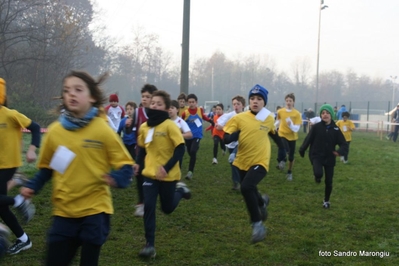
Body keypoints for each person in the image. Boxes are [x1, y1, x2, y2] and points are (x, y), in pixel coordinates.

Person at [20, 70, 134, 266]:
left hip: (95, 210)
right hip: (64, 211)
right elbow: (48, 168)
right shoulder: (56, 131)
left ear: (91, 97)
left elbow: (125, 164)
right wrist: (34, 185)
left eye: (78, 89)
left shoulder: (102, 130)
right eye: (67, 90)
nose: (71, 94)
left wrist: (118, 178)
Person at [134, 90, 191, 258]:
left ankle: (180, 191)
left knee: (167, 208)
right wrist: (138, 163)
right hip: (149, 175)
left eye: (159, 104)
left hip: (168, 175)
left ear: (166, 108)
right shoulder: (145, 127)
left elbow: (180, 149)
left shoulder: (170, 126)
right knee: (149, 207)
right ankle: (149, 246)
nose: (155, 106)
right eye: (153, 103)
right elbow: (142, 149)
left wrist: (166, 168)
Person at [224, 84, 283, 244]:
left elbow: (273, 133)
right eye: (252, 98)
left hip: (261, 160)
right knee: (250, 188)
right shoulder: (239, 118)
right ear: (248, 101)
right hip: (242, 160)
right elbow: (226, 137)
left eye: (259, 99)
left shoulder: (269, 117)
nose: (255, 101)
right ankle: (262, 202)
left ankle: (257, 225)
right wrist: (233, 136)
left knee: (246, 187)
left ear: (264, 102)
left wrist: (282, 150)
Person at [0, 78, 40, 255]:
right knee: (1, 207)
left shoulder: (10, 114)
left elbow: (36, 127)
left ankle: (18, 201)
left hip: (8, 166)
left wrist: (32, 150)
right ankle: (23, 239)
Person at [299, 104, 348, 209]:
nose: (325, 115)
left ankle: (326, 200)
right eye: (323, 113)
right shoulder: (316, 127)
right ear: (320, 115)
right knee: (318, 173)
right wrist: (302, 149)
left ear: (331, 114)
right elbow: (308, 139)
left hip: (330, 157)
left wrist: (339, 152)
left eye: (327, 113)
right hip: (316, 155)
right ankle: (317, 176)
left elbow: (344, 144)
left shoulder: (335, 129)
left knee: (329, 181)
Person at [133, 84, 158, 217]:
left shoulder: (159, 114)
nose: (144, 99)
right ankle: (141, 203)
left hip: (154, 154)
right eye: (143, 96)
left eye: (148, 97)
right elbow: (132, 129)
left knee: (152, 179)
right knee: (139, 176)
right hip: (140, 151)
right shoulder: (137, 112)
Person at [181, 94, 213, 180]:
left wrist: (211, 121)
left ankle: (190, 172)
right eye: (190, 102)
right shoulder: (185, 113)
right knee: (191, 153)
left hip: (197, 135)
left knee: (193, 151)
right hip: (188, 136)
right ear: (188, 103)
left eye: (193, 102)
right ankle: (192, 162)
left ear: (196, 102)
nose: (191, 104)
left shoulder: (200, 110)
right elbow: (181, 122)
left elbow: (204, 117)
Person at [216, 95, 245, 190]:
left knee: (233, 158)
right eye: (234, 104)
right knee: (234, 163)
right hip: (231, 143)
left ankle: (241, 182)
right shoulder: (230, 115)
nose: (236, 106)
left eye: (238, 104)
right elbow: (218, 123)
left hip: (242, 143)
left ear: (243, 105)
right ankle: (237, 182)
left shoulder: (247, 116)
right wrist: (224, 128)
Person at [275, 93, 302, 181]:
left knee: (291, 157)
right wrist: (273, 127)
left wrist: (291, 125)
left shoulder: (297, 113)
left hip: (292, 136)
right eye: (287, 101)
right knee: (283, 147)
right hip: (282, 133)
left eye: (290, 101)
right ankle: (281, 161)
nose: (288, 102)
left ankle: (289, 172)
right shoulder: (280, 111)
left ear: (293, 102)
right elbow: (278, 121)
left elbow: (297, 128)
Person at [169, 100, 192, 168]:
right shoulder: (165, 121)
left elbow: (189, 134)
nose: (170, 110)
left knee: (176, 167)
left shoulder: (181, 121)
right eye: (168, 108)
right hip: (167, 149)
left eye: (172, 108)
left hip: (178, 148)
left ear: (177, 110)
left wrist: (178, 135)